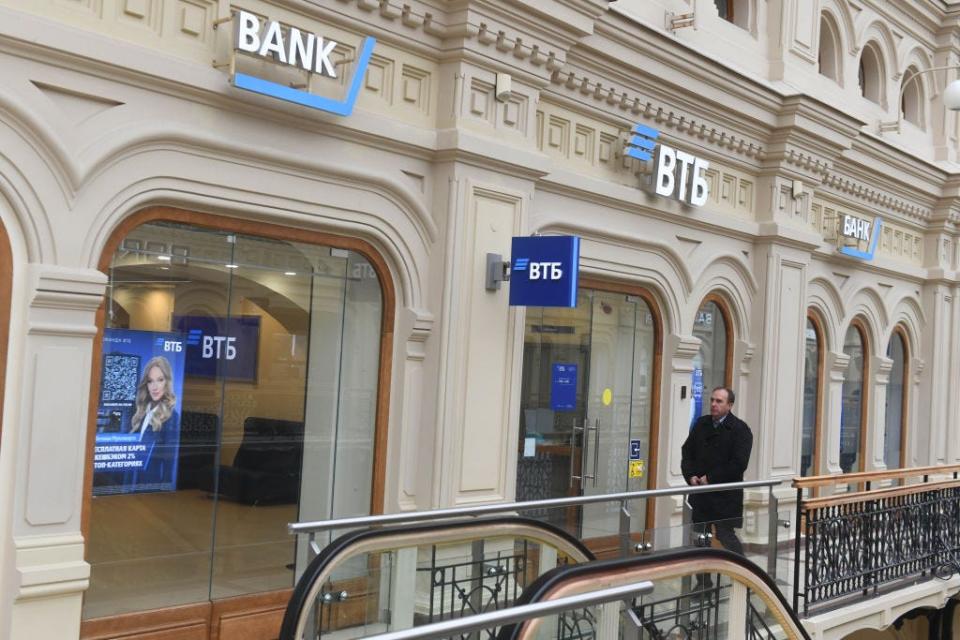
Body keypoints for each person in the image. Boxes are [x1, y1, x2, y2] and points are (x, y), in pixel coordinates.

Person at [681, 386, 753, 556]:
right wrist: (690, 476)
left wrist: (710, 478)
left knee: (725, 535)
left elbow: (739, 463)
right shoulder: (701, 423)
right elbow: (687, 452)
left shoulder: (740, 429)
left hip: (725, 497)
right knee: (699, 538)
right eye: (712, 400)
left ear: (730, 405)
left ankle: (743, 574)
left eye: (719, 401)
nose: (713, 404)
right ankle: (703, 580)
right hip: (700, 494)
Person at [126, 356, 180, 488]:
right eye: (150, 381)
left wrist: (164, 488)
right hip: (128, 482)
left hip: (150, 486)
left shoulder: (171, 416)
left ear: (167, 382)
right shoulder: (139, 411)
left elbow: (169, 459)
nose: (155, 387)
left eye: (160, 380)